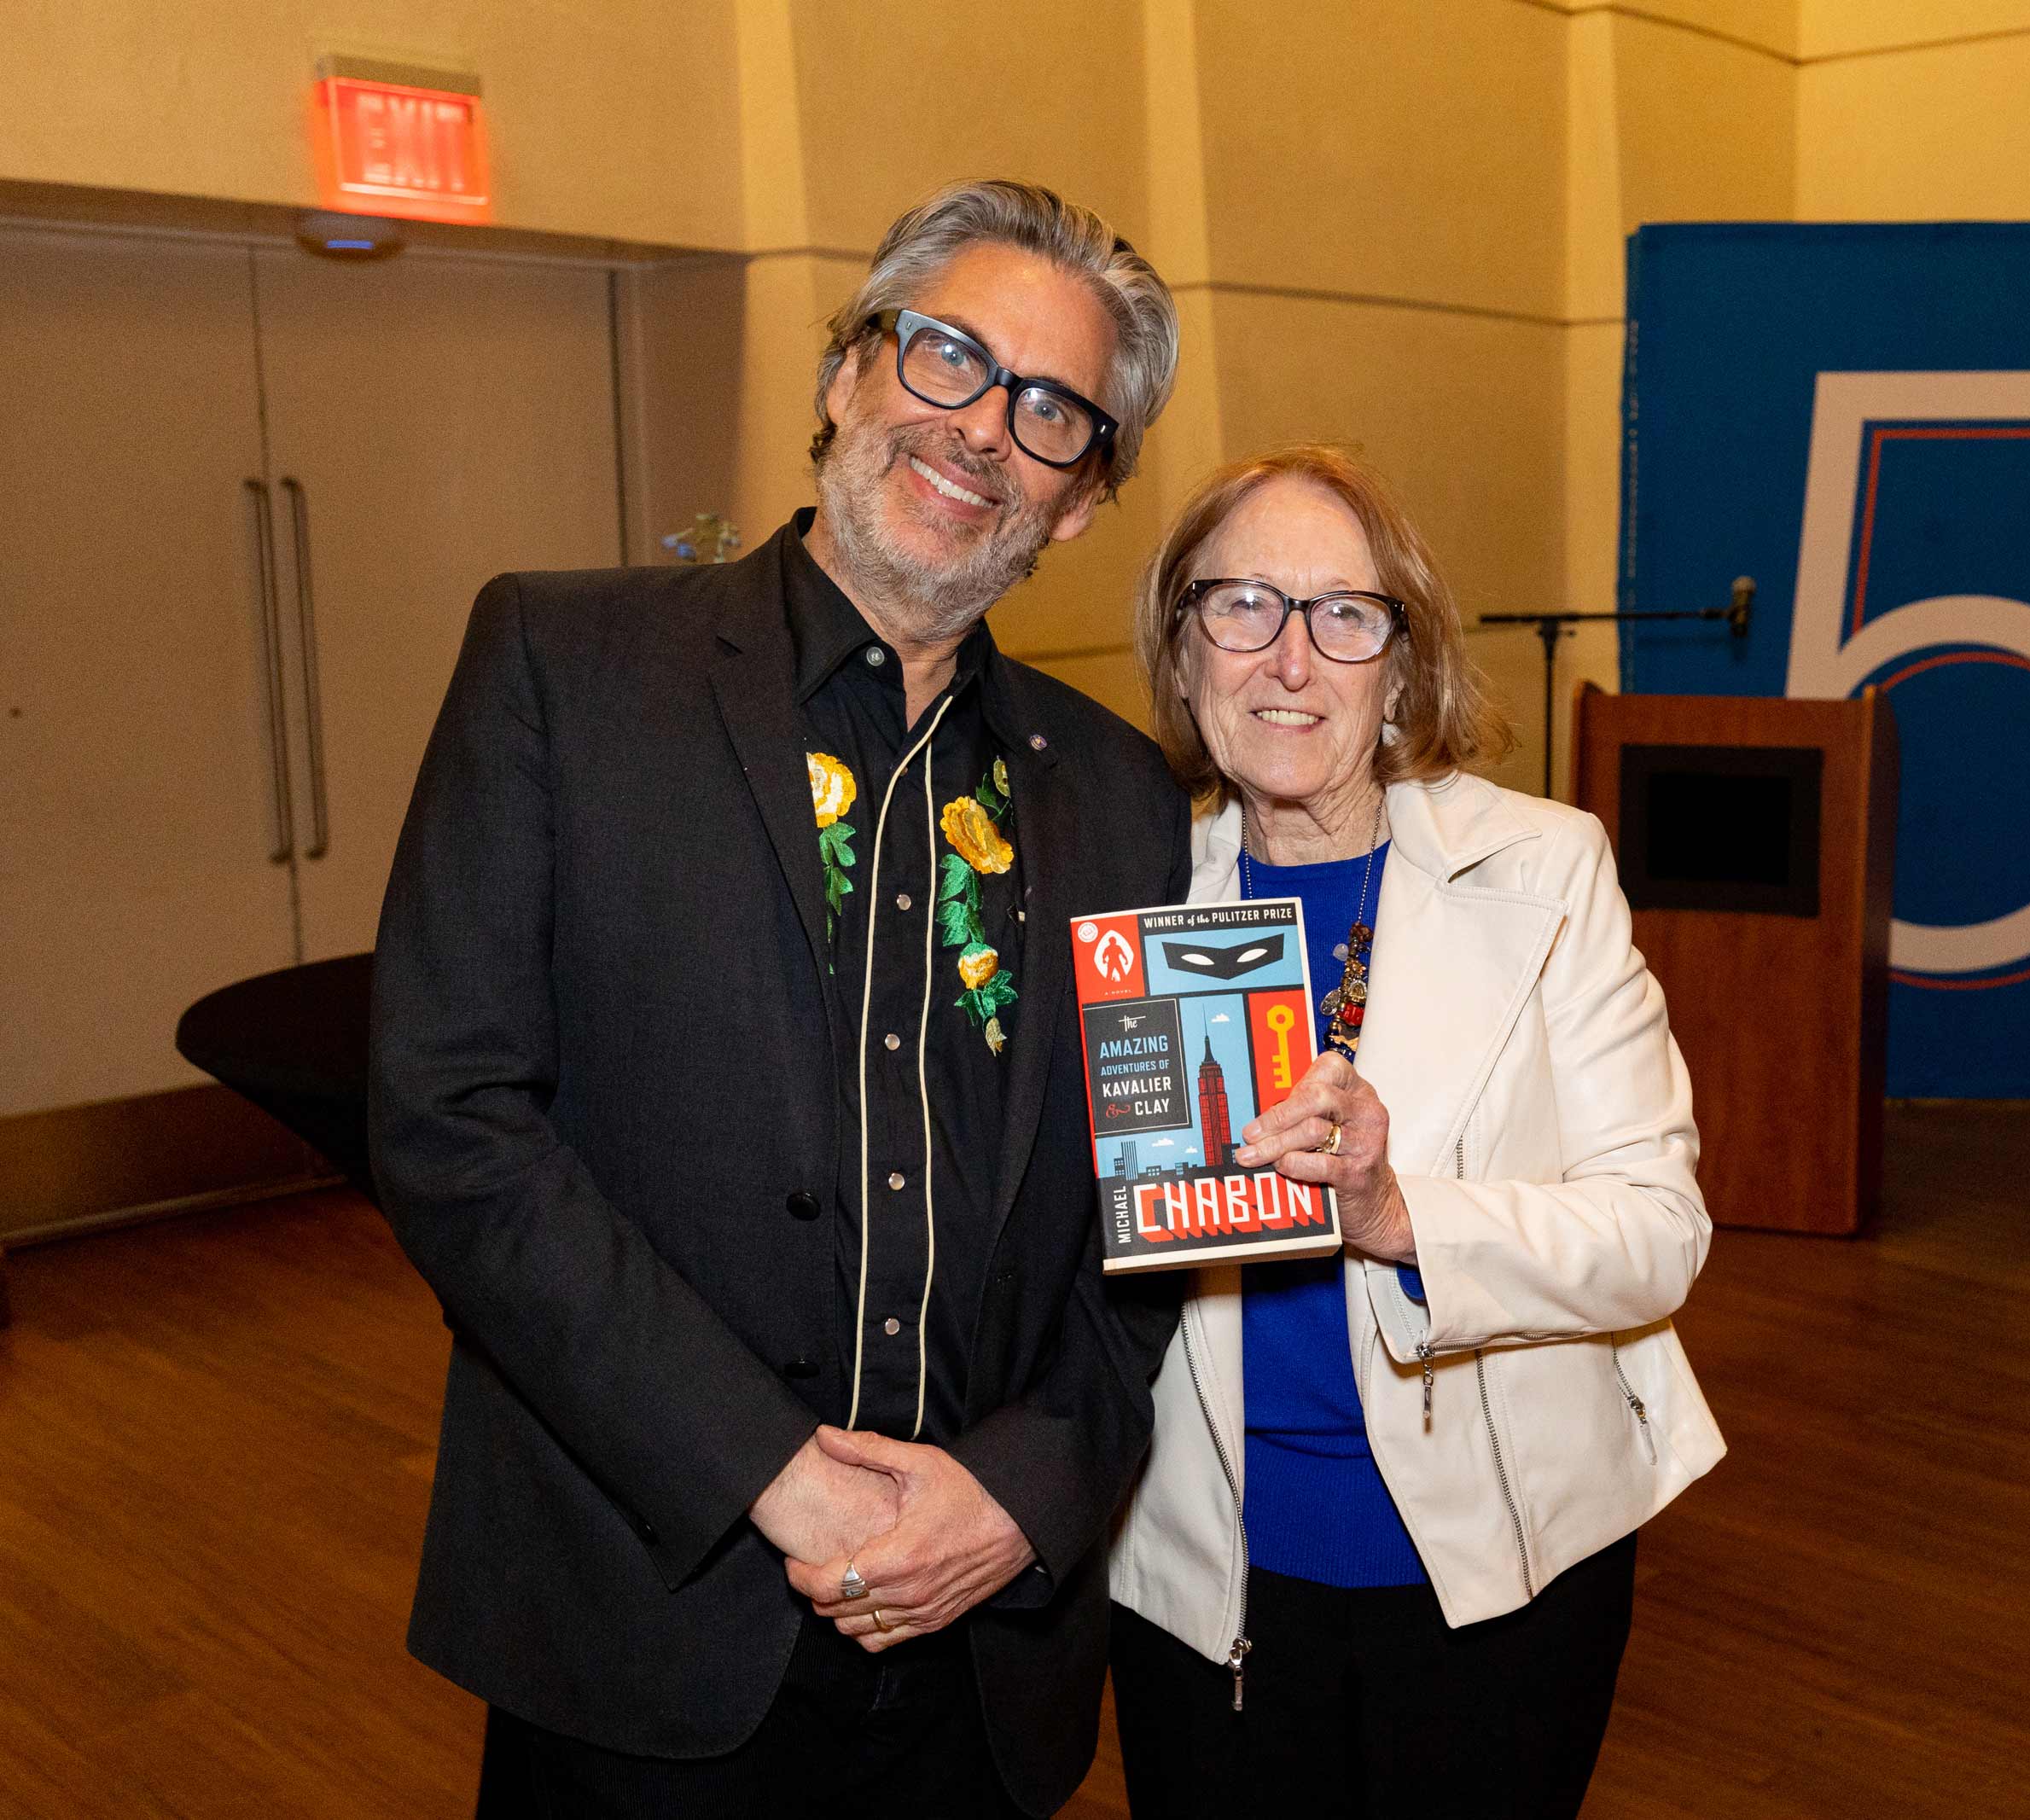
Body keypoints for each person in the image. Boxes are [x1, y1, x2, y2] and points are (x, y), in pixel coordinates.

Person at [369, 179, 1189, 1817]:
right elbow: (451, 1122)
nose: (981, 430)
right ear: (845, 375)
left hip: (972, 1649)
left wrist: (1022, 1495)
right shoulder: (565, 666)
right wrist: (766, 1472)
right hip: (649, 1614)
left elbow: (1155, 1218)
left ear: (1081, 502)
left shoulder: (1120, 796)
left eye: (1051, 411)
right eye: (947, 355)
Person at [1105, 445, 1726, 1817]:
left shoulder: (1546, 869)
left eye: (1343, 614)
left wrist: (1398, 1217)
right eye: (1242, 604)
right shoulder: (1129, 894)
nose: (1287, 660)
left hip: (1494, 1577)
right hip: (1205, 1579)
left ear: (1402, 667)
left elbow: (1659, 1232)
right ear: (1184, 642)